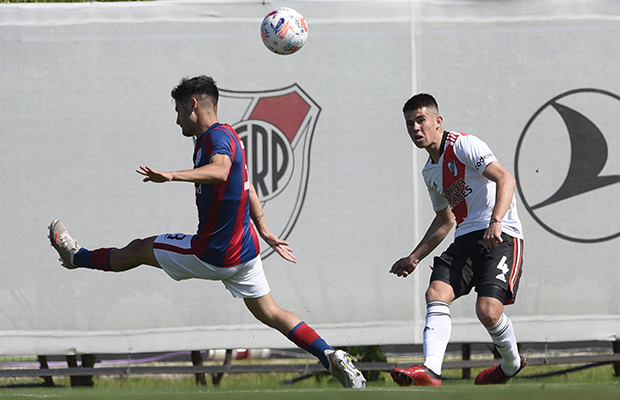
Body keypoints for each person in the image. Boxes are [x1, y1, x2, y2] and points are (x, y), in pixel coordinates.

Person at [49, 75, 366, 389]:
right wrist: (266, 231)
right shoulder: (229, 135)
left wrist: (171, 176)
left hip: (214, 253)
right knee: (271, 312)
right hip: (246, 251)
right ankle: (329, 354)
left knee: (138, 249)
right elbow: (247, 185)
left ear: (193, 105)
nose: (176, 121)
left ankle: (77, 257)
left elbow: (222, 171)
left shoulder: (215, 139)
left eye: (177, 111)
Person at [389, 94, 526, 386]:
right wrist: (414, 258)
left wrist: (496, 221)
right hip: (465, 238)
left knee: (488, 311)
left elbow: (506, 179)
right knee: (436, 292)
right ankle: (431, 370)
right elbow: (445, 220)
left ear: (438, 122)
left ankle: (511, 363)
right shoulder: (430, 171)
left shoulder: (462, 144)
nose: (415, 128)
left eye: (421, 120)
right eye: (409, 123)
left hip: (500, 235)